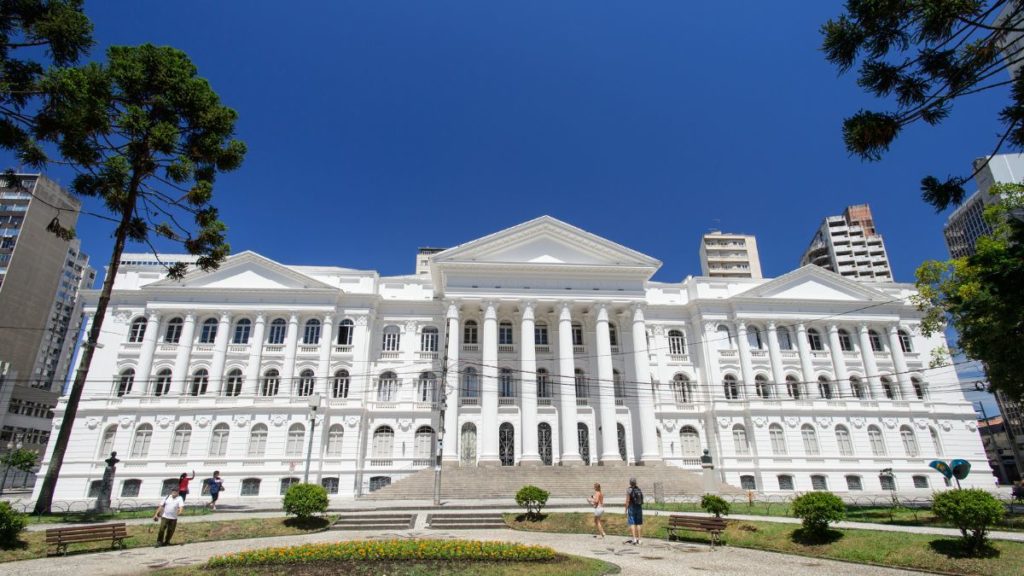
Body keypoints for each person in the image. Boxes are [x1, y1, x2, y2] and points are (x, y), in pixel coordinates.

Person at [624, 477, 643, 545]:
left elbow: (627, 500)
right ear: (636, 483)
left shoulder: (629, 490)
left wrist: (625, 509)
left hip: (632, 507)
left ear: (630, 483)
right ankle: (639, 539)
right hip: (639, 507)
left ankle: (634, 539)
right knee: (638, 523)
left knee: (632, 523)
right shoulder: (638, 489)